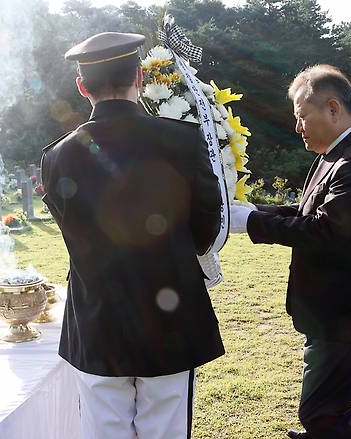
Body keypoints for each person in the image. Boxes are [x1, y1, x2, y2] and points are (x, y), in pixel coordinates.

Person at [40, 32, 225, 439]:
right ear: (139, 76)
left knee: (103, 429)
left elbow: (72, 229)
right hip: (170, 308)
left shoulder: (57, 156)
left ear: (82, 85)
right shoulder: (181, 140)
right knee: (165, 428)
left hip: (99, 315)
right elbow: (207, 222)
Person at [230, 64, 351, 438]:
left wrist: (249, 224)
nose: (297, 127)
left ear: (333, 108)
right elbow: (308, 213)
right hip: (339, 312)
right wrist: (254, 211)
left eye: (302, 116)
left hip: (349, 316)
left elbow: (325, 230)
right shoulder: (337, 154)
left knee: (321, 413)